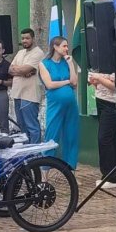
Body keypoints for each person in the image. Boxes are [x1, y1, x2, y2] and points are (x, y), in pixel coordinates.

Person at [38, 36, 79, 169]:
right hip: (55, 105)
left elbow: (75, 82)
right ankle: (45, 172)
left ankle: (70, 171)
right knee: (52, 135)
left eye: (67, 46)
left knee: (71, 136)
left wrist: (70, 64)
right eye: (64, 46)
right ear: (55, 47)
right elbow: (49, 84)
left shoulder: (66, 62)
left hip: (71, 105)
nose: (67, 49)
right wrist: (67, 82)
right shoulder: (44, 63)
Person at [88, 71, 116, 189]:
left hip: (113, 102)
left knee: (104, 138)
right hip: (100, 99)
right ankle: (113, 174)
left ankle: (112, 177)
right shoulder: (99, 60)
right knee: (111, 138)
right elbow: (93, 80)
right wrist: (94, 81)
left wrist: (99, 78)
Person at [9, 28, 46, 143]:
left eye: (27, 38)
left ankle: (34, 153)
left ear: (33, 39)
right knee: (21, 125)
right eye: (23, 38)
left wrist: (22, 70)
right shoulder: (20, 53)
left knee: (32, 126)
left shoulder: (38, 53)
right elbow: (10, 69)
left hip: (30, 95)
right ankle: (26, 151)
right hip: (17, 94)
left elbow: (26, 69)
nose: (24, 40)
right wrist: (22, 72)